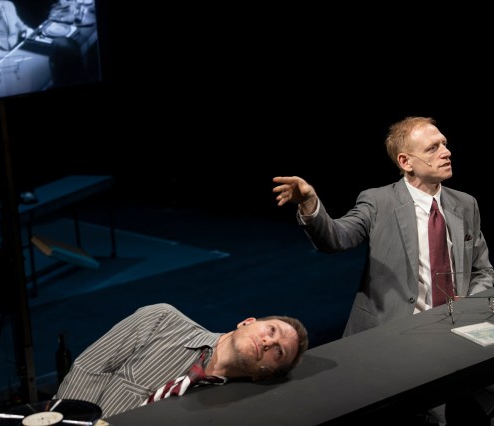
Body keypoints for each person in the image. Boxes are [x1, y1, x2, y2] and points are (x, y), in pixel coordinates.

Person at [272, 116, 493, 425]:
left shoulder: (466, 204)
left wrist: (467, 309)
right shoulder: (378, 201)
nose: (446, 152)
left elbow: (483, 271)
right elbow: (336, 238)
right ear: (405, 161)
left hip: (454, 332)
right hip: (395, 334)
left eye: (444, 144)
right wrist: (310, 203)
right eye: (433, 148)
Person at [54, 303, 309, 419]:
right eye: (271, 330)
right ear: (246, 322)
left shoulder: (229, 410)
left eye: (278, 352)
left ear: (263, 375)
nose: (267, 342)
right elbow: (90, 369)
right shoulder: (161, 320)